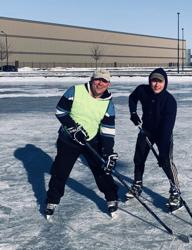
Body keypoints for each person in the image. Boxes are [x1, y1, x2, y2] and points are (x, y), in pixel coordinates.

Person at [45, 69, 119, 219]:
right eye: (97, 79)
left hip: (91, 140)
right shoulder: (75, 91)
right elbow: (60, 111)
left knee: (102, 170)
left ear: (108, 84)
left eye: (104, 81)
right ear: (92, 80)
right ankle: (52, 200)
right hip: (68, 141)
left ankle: (111, 198)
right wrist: (73, 129)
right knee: (60, 170)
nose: (100, 83)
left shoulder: (108, 104)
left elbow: (107, 129)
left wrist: (108, 151)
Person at [126, 67, 182, 211]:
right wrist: (133, 113)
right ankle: (137, 183)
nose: (156, 84)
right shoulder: (142, 90)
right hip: (146, 130)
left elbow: (167, 128)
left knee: (166, 161)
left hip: (163, 133)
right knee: (138, 158)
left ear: (165, 83)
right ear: (149, 81)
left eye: (160, 81)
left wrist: (163, 151)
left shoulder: (170, 101)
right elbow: (133, 98)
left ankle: (175, 191)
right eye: (153, 81)